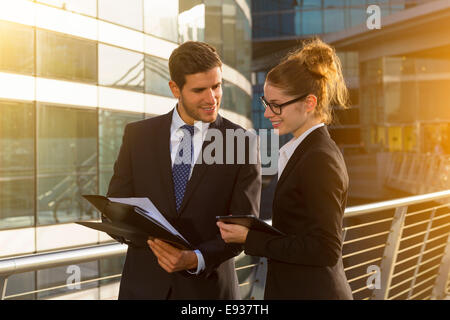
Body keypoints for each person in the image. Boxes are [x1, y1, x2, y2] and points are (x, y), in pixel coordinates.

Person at [107, 41, 261, 299]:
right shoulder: (137, 136)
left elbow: (242, 227)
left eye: (216, 86)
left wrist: (194, 259)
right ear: (175, 89)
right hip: (143, 289)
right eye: (200, 90)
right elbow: (116, 208)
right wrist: (134, 231)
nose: (212, 98)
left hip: (208, 292)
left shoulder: (242, 142)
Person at [217, 38, 353, 300]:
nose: (268, 113)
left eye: (276, 105)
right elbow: (300, 230)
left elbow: (325, 248)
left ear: (310, 103)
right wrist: (252, 231)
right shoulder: (304, 151)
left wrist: (250, 238)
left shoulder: (319, 160)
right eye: (266, 103)